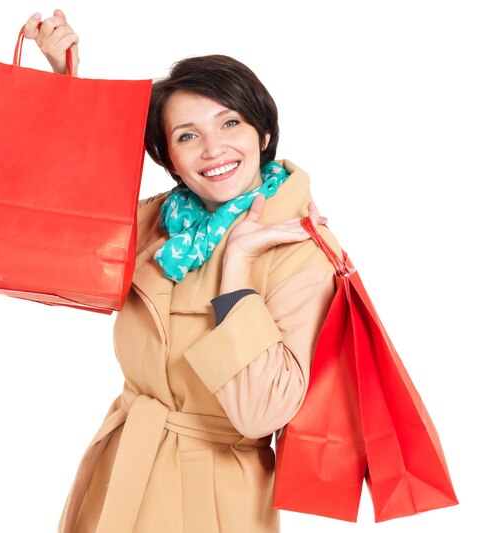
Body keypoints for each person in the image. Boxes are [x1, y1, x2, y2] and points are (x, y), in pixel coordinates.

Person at [24, 9, 342, 533]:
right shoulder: (158, 223)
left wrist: (237, 269)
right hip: (122, 472)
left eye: (230, 123)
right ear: (169, 157)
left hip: (212, 500)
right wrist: (67, 85)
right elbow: (61, 222)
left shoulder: (302, 248)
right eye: (188, 135)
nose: (214, 148)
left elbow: (263, 413)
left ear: (263, 135)